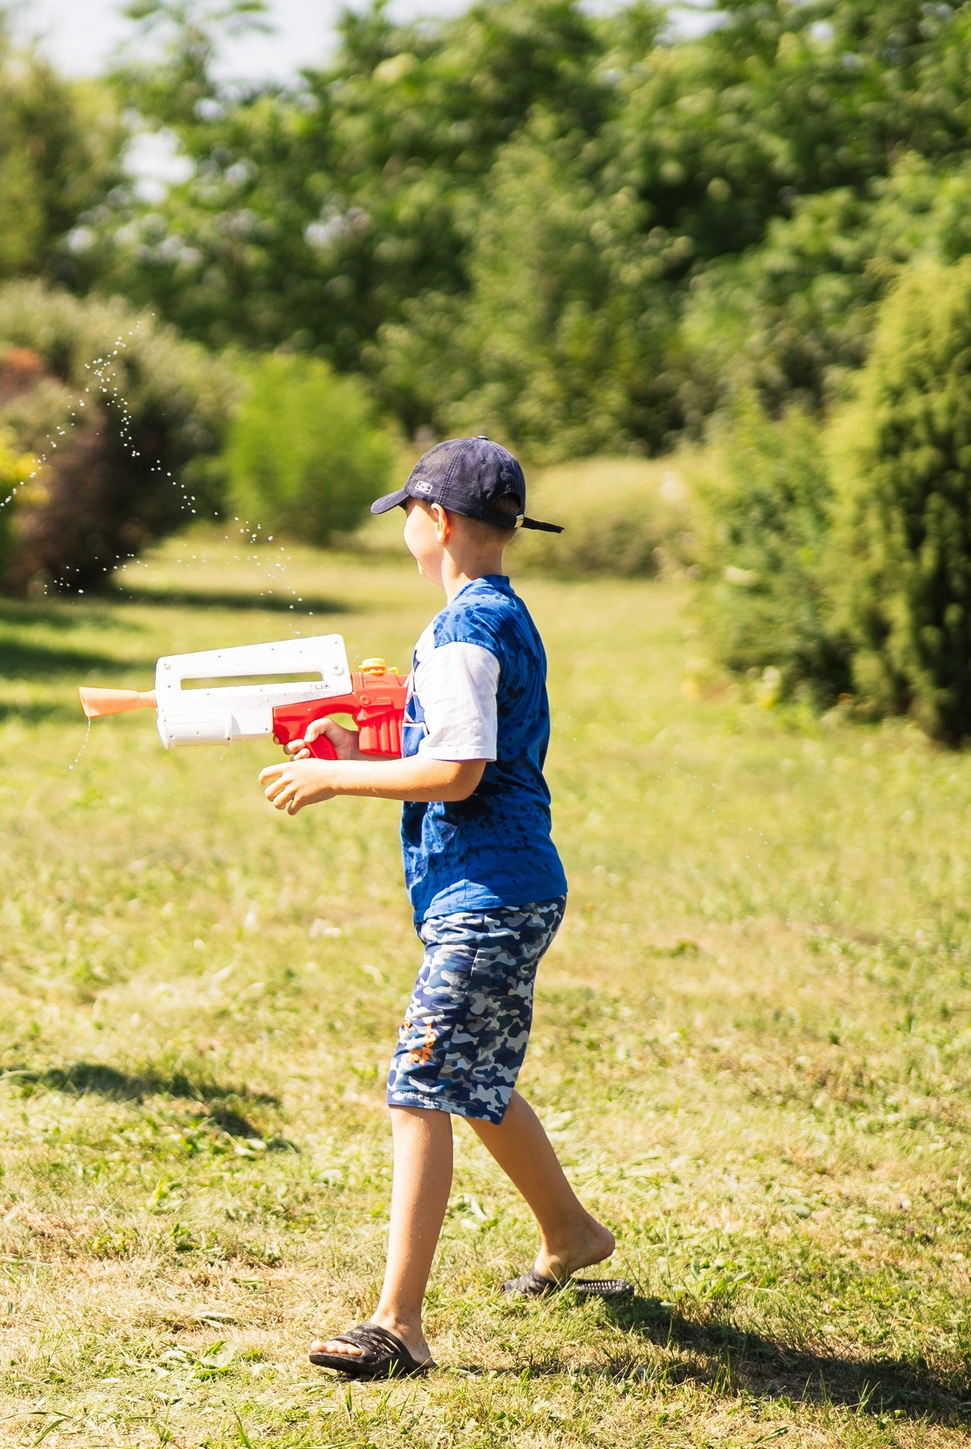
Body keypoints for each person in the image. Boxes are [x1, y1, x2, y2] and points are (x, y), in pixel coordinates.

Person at [255, 436, 626, 1379]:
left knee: (423, 1079)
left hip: (489, 895)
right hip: (509, 886)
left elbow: (459, 773)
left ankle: (399, 1323)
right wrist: (363, 739)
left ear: (440, 521)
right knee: (476, 1077)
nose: (407, 526)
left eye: (409, 512)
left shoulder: (463, 631)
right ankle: (571, 1234)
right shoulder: (498, 611)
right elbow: (462, 746)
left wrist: (337, 777)